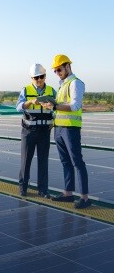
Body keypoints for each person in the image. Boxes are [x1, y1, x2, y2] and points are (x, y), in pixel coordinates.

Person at [41, 54, 91, 209]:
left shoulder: (75, 83)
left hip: (70, 129)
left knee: (77, 162)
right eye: (55, 71)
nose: (57, 72)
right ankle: (68, 194)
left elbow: (75, 106)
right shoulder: (62, 84)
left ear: (68, 66)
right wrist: (52, 107)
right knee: (65, 162)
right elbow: (61, 105)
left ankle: (84, 198)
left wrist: (54, 107)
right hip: (59, 128)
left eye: (59, 69)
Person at [16, 63, 56, 198]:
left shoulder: (51, 90)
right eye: (36, 77)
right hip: (29, 131)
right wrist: (31, 102)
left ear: (45, 76)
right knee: (26, 160)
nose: (39, 80)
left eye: (42, 77)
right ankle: (23, 188)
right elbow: (19, 107)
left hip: (45, 131)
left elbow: (57, 107)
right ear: (31, 78)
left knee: (43, 161)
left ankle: (43, 190)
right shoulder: (26, 91)